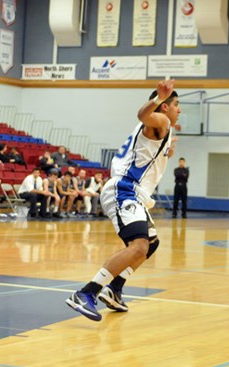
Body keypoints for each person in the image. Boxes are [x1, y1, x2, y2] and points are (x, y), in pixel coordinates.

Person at [66, 79, 179, 321]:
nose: (180, 110)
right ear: (166, 108)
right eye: (177, 105)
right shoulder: (162, 120)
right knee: (138, 246)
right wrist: (159, 98)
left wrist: (167, 151)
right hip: (124, 189)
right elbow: (142, 115)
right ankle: (87, 293)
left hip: (133, 192)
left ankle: (114, 289)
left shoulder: (162, 130)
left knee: (152, 242)